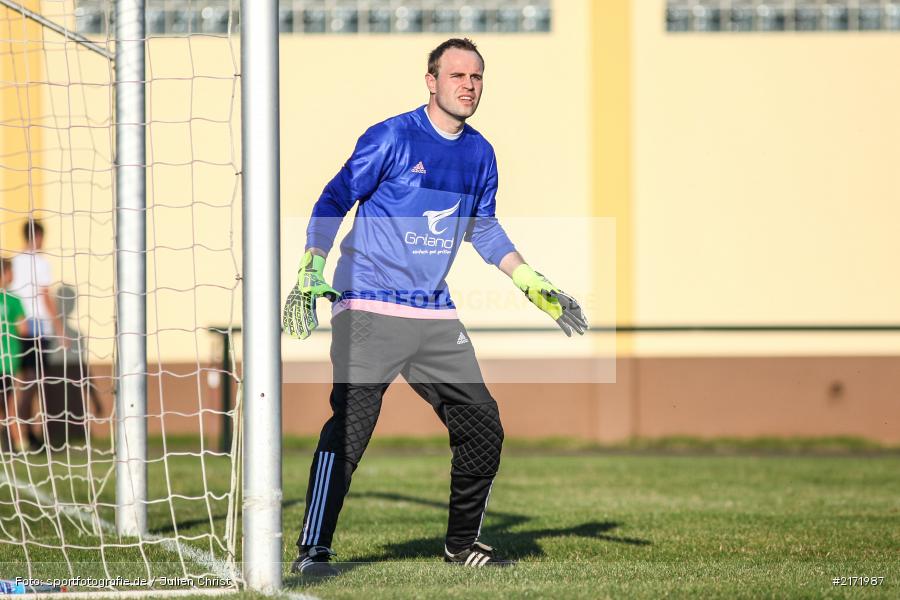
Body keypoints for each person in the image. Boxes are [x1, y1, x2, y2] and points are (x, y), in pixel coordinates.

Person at [283, 38, 588, 576]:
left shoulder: (480, 154)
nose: (468, 86)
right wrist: (313, 264)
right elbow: (333, 198)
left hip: (432, 312)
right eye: (457, 76)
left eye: (477, 78)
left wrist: (531, 281)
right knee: (352, 426)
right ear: (431, 80)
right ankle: (314, 549)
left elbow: (482, 227)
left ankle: (461, 544)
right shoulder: (391, 137)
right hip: (368, 305)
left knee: (481, 425)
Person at [11, 219, 64, 450]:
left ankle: (20, 433)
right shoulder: (40, 263)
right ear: (39, 236)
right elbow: (44, 296)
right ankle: (25, 433)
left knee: (22, 382)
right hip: (36, 326)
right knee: (33, 382)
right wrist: (60, 328)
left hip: (15, 324)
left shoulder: (13, 262)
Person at [0, 259, 28, 451]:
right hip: (11, 361)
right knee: (12, 406)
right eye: (10, 272)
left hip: (7, 361)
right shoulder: (14, 300)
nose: (13, 276)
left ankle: (10, 445)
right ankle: (21, 445)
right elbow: (23, 329)